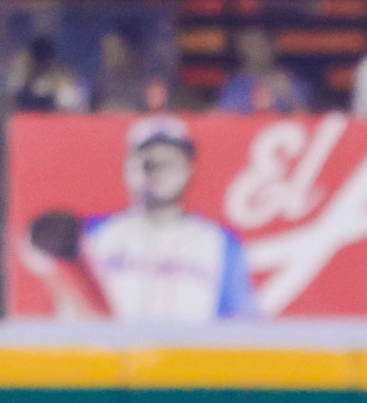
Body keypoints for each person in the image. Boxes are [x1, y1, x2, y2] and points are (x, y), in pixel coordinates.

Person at [19, 115, 256, 322]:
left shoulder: (220, 242)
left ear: (189, 168)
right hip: (106, 365)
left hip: (188, 366)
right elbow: (39, 254)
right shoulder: (88, 234)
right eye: (150, 162)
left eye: (170, 161)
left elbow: (241, 322)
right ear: (129, 167)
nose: (160, 170)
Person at [217, 28, 308, 114]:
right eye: (249, 46)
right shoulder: (234, 86)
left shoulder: (291, 82)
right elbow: (221, 117)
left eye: (260, 44)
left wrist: (288, 96)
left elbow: (307, 121)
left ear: (272, 46)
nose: (256, 51)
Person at [10, 35, 88, 113]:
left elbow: (71, 105)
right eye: (39, 58)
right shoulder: (22, 81)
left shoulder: (61, 80)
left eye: (45, 58)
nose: (42, 64)